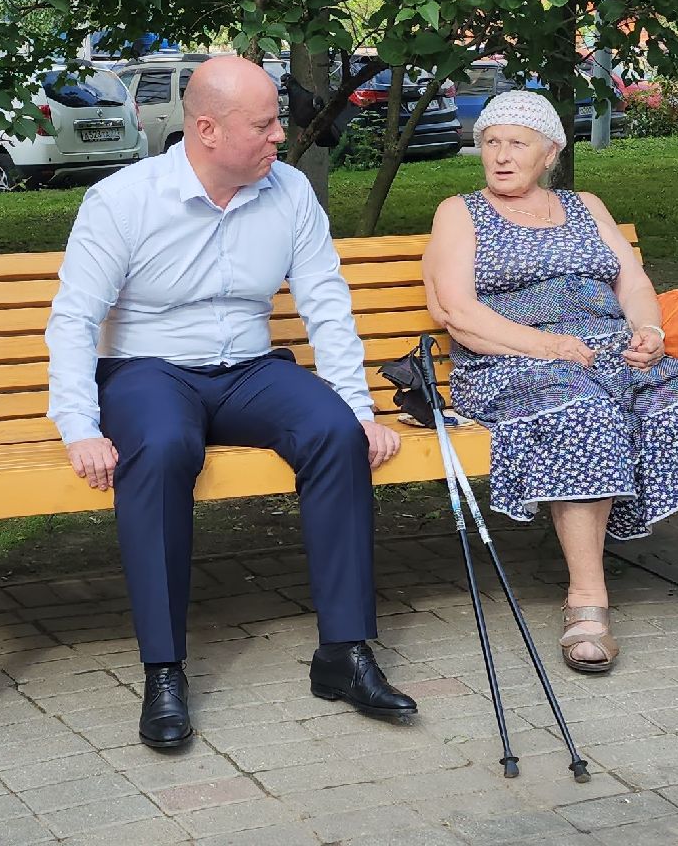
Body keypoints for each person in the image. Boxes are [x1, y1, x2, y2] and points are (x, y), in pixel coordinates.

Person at [46, 56, 416, 750]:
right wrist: (78, 425)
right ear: (207, 129)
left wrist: (359, 408)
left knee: (334, 433)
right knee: (162, 447)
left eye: (278, 121)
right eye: (264, 124)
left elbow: (325, 304)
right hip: (149, 371)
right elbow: (74, 318)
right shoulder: (123, 200)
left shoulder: (290, 192)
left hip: (250, 369)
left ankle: (343, 652)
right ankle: (163, 670)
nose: (281, 135)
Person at [421, 90, 678, 674]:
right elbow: (455, 310)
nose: (501, 155)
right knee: (582, 413)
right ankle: (586, 605)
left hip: (611, 356)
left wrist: (648, 331)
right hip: (512, 362)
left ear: (550, 153)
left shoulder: (585, 205)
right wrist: (547, 345)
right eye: (491, 142)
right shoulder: (461, 212)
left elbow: (634, 283)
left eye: (517, 143)